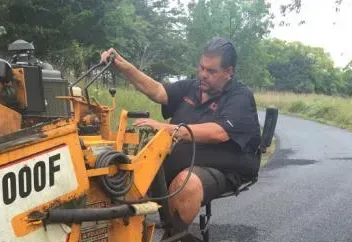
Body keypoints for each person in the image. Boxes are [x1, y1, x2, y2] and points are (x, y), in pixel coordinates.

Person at [101, 37, 261, 228]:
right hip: (181, 157)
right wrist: (126, 68)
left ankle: (172, 241)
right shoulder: (192, 87)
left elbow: (219, 132)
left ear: (229, 72)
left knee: (186, 184)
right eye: (201, 67)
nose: (203, 74)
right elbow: (159, 91)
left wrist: (170, 129)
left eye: (211, 71)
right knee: (124, 173)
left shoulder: (240, 96)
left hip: (225, 166)